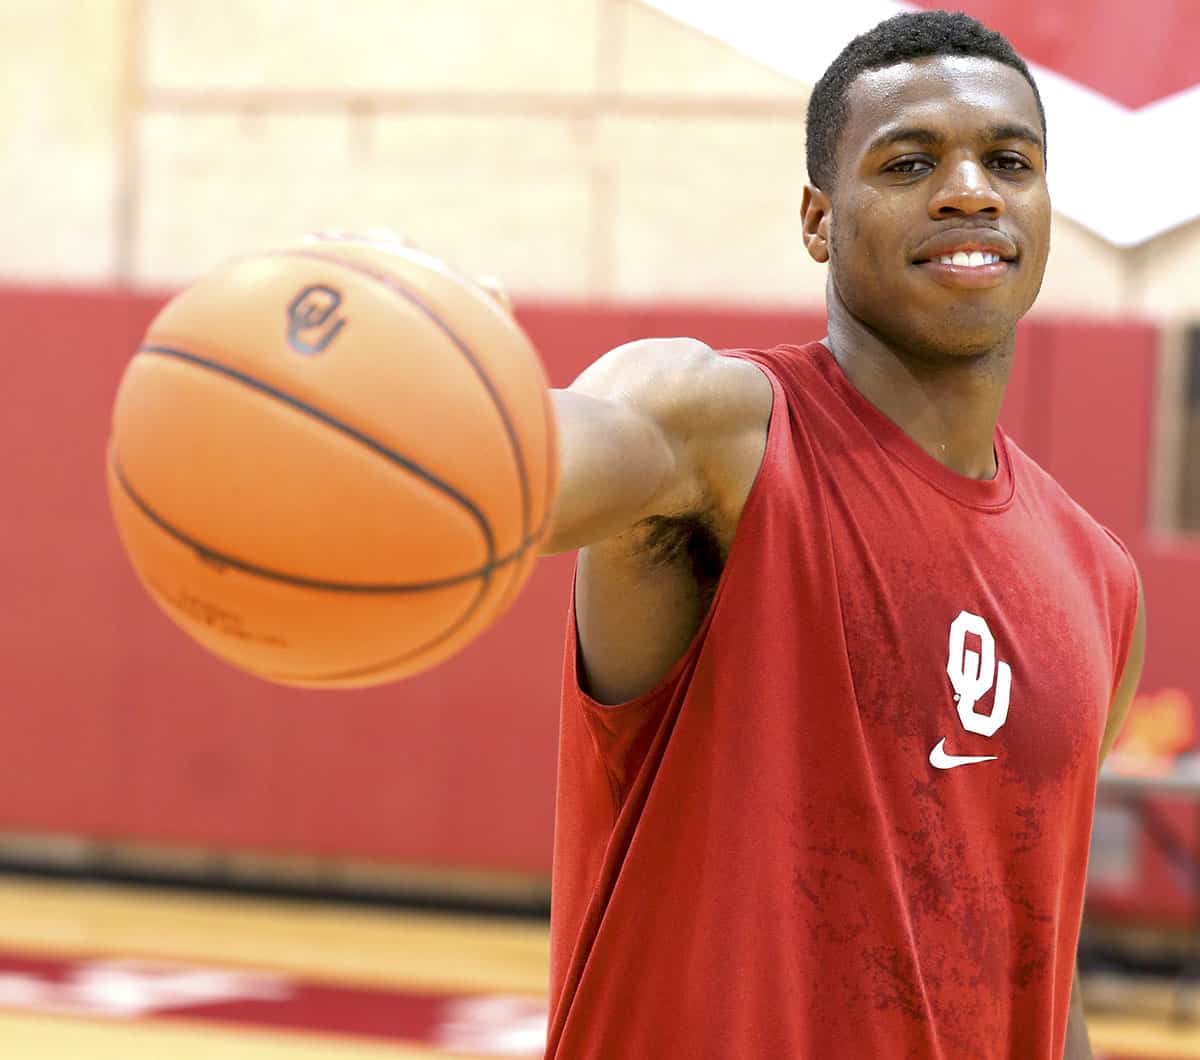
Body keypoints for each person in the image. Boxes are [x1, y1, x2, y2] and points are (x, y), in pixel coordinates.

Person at [533, 10, 1145, 1060]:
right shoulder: (714, 430)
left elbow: (1039, 949)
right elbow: (535, 462)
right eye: (909, 162)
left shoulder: (1101, 581)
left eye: (1010, 160)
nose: (968, 189)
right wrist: (430, 396)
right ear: (819, 220)